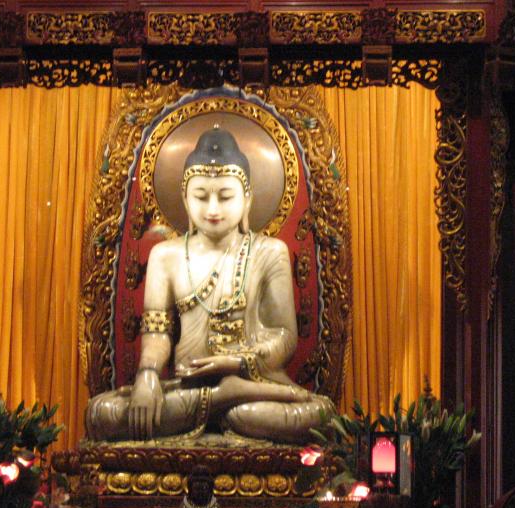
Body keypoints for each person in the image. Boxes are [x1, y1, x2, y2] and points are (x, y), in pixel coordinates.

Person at [86, 125, 334, 444]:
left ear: (247, 199)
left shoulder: (269, 252)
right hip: (188, 388)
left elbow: (284, 338)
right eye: (201, 196)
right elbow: (157, 333)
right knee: (101, 412)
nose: (213, 209)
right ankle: (224, 396)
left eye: (225, 196)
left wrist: (236, 363)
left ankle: (233, 392)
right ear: (185, 199)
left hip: (256, 388)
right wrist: (148, 376)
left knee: (321, 414)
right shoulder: (166, 256)